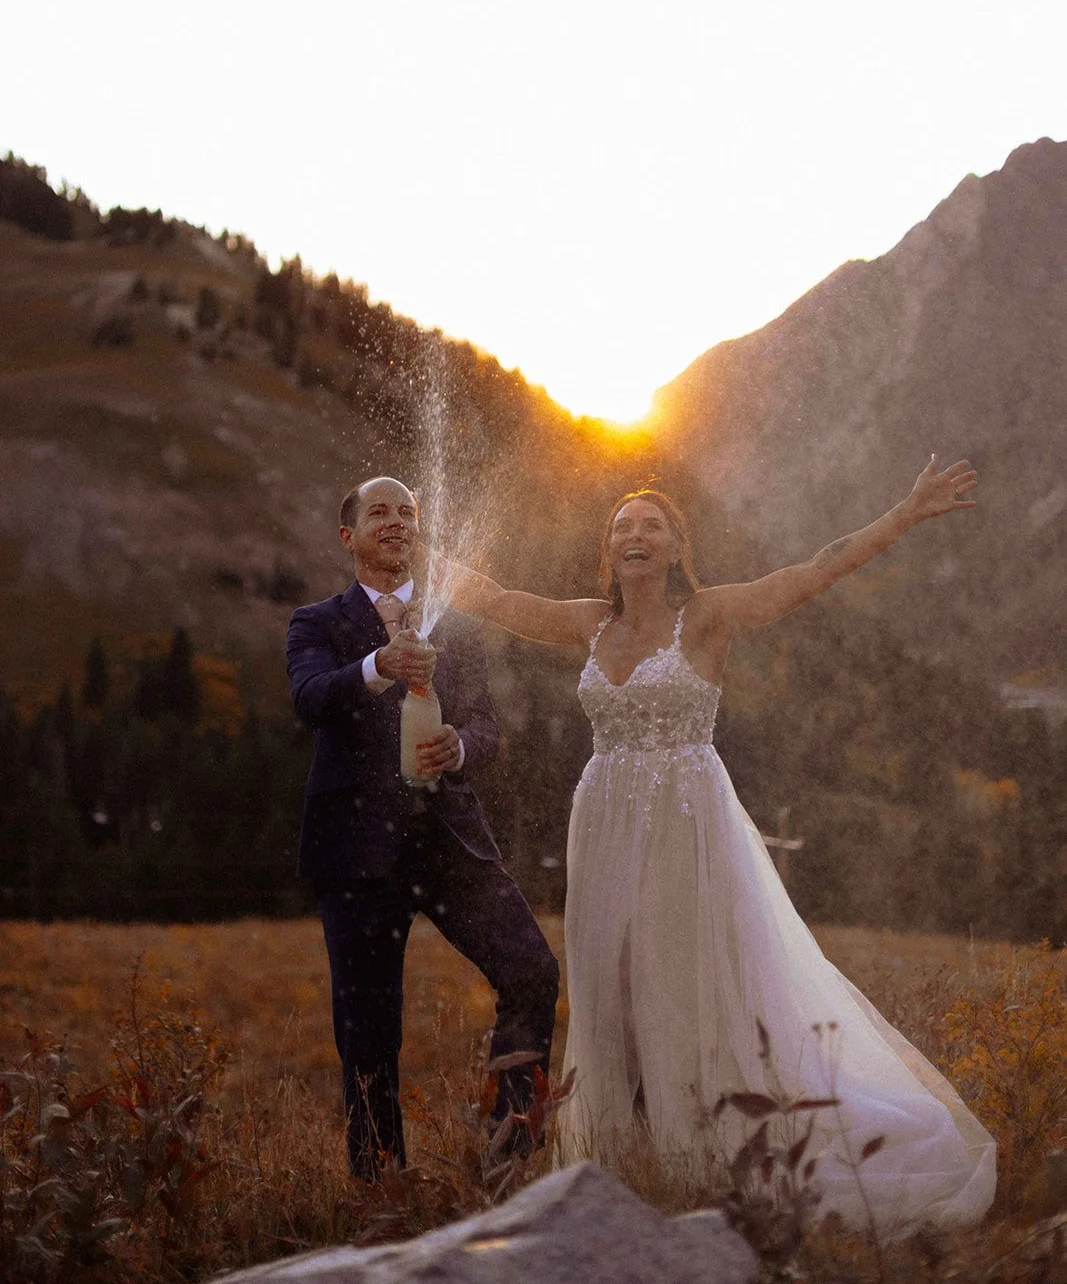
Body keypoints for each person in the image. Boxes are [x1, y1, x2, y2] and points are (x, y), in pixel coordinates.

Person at [435, 456, 996, 1235]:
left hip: (684, 825)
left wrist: (901, 514)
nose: (634, 535)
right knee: (609, 986)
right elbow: (494, 599)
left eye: (650, 525)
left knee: (682, 983)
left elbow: (813, 570)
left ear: (674, 548)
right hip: (602, 824)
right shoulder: (585, 624)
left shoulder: (708, 617)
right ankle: (623, 1158)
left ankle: (701, 1155)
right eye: (621, 527)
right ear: (608, 551)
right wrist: (419, 551)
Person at [286, 476, 558, 1180]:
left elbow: (485, 726)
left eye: (407, 512)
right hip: (356, 854)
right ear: (349, 537)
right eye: (379, 511)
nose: (397, 521)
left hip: (450, 844)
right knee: (369, 1035)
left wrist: (459, 747)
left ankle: (509, 1159)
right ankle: (381, 1192)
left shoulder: (453, 624)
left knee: (530, 970)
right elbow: (311, 698)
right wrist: (378, 665)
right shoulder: (314, 622)